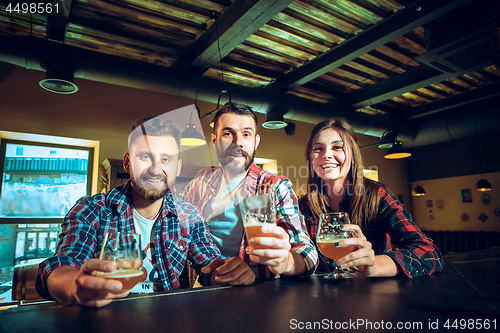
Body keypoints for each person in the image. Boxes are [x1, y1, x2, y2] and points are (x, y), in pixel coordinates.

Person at [36, 115, 254, 307]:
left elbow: (210, 264)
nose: (156, 169)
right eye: (145, 157)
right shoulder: (92, 210)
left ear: (177, 168)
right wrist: (76, 285)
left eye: (166, 159)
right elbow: (60, 267)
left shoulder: (189, 215)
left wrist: (228, 271)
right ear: (127, 163)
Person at [181, 102, 318, 279]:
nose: (238, 143)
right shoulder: (202, 180)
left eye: (246, 134)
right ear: (214, 141)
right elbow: (180, 224)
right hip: (209, 286)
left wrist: (287, 262)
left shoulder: (276, 185)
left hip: (259, 291)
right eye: (228, 134)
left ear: (256, 141)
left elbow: (307, 251)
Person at [299, 117, 443, 278]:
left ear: (353, 154)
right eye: (318, 149)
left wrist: (375, 265)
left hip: (374, 297)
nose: (326, 155)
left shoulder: (377, 196)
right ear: (310, 158)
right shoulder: (303, 206)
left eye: (337, 147)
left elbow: (429, 252)